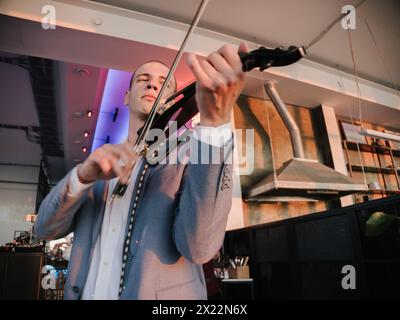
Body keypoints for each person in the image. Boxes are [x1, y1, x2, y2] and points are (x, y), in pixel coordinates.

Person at [34, 43, 248, 300]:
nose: (151, 85)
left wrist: (214, 126)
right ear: (125, 95)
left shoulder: (191, 151)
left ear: (174, 99)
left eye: (163, 83)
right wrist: (82, 177)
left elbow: (199, 248)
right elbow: (44, 229)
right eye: (142, 80)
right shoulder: (102, 162)